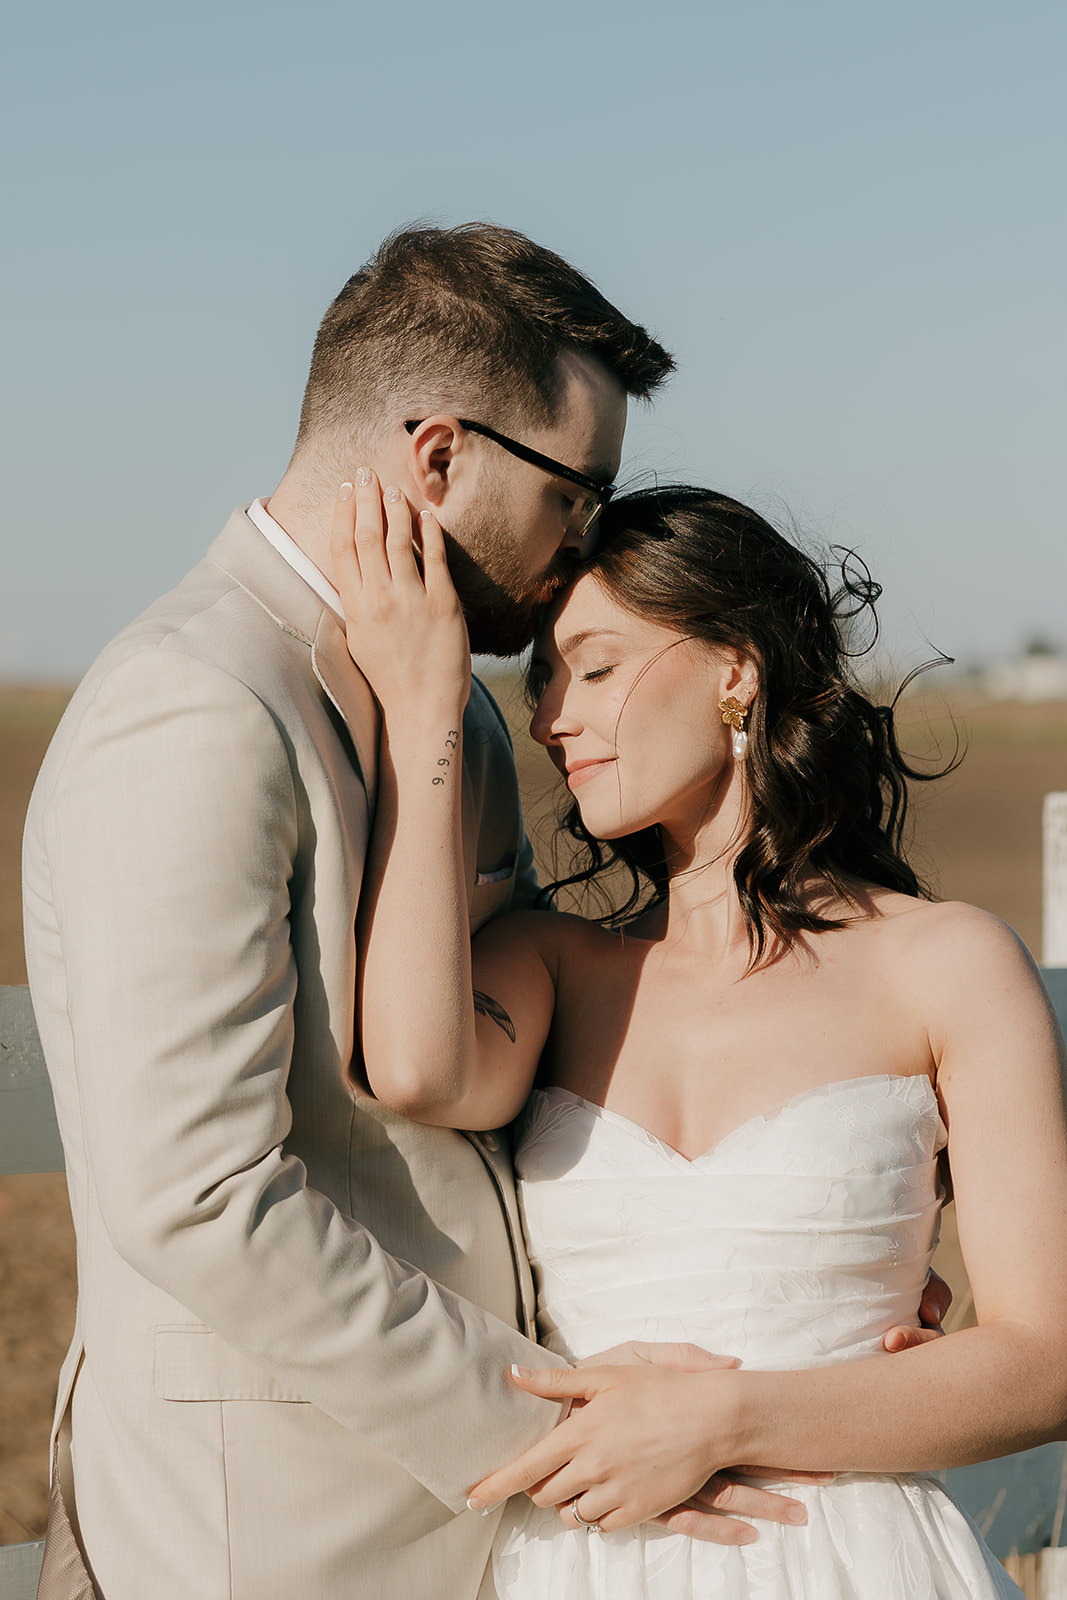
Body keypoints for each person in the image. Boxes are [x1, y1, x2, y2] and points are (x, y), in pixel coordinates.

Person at [24, 224, 908, 1600]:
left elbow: (523, 1076)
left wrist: (813, 1273)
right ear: (438, 459)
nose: (583, 552)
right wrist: (553, 1425)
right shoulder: (193, 706)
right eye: (576, 496)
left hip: (503, 1532)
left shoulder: (472, 726)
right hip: (264, 1539)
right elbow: (196, 1196)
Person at [337, 476, 1067, 1598]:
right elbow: (417, 1065)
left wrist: (726, 1416)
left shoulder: (948, 963)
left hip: (855, 1561)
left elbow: (1046, 1356)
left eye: (593, 667)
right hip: (581, 1561)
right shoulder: (552, 965)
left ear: (736, 668)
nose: (549, 719)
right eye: (538, 685)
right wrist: (428, 705)